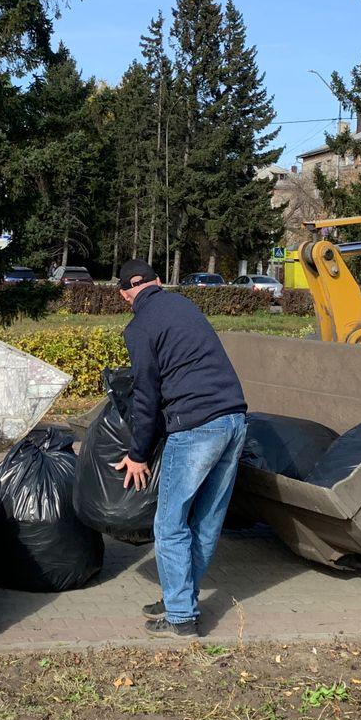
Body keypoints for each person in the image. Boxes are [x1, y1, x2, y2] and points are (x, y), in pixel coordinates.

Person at [111, 259, 248, 638]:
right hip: (234, 419)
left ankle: (181, 616)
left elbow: (146, 396)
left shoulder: (139, 327)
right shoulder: (186, 306)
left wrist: (138, 454)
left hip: (196, 426)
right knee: (206, 520)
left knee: (170, 525)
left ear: (125, 294)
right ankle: (179, 597)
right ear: (158, 282)